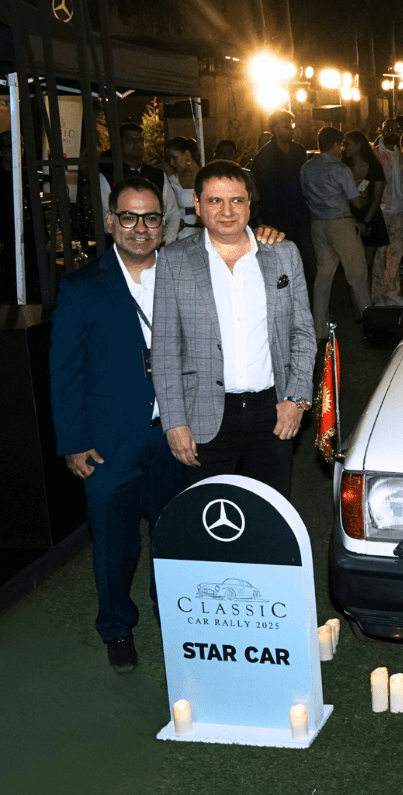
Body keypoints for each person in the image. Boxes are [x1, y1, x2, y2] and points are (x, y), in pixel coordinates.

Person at [48, 177, 189, 674]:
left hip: (174, 436)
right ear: (111, 223)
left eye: (150, 217)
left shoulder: (185, 275)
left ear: (164, 224)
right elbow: (65, 372)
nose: (139, 228)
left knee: (175, 536)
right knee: (115, 542)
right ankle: (116, 627)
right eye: (128, 217)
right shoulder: (82, 288)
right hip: (108, 444)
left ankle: (177, 620)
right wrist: (74, 442)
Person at [152, 160, 316, 498]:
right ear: (197, 205)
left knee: (270, 522)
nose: (227, 211)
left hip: (272, 413)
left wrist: (296, 400)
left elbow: (302, 334)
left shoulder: (284, 254)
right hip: (203, 416)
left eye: (237, 200)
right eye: (215, 201)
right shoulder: (173, 260)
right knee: (209, 525)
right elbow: (166, 349)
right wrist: (174, 422)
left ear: (249, 202)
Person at [300, 127, 373, 338]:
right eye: (341, 145)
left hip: (318, 223)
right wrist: (364, 193)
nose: (342, 149)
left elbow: (305, 195)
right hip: (340, 224)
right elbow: (357, 202)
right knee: (357, 275)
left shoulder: (306, 167)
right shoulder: (340, 169)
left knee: (323, 277)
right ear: (334, 145)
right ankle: (369, 323)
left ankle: (319, 328)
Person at [251, 109, 314, 284]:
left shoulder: (299, 150)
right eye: (287, 126)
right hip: (276, 216)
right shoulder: (264, 156)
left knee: (305, 260)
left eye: (292, 125)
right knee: (280, 261)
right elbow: (260, 189)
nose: (292, 129)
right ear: (275, 129)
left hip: (299, 213)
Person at [94, 122, 180, 246]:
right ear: (119, 144)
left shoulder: (157, 175)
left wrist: (165, 241)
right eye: (130, 140)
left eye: (140, 140)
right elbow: (108, 219)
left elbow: (173, 213)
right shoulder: (107, 176)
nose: (137, 145)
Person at [372, 118, 403, 307]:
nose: (394, 133)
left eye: (397, 130)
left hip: (400, 208)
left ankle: (393, 292)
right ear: (383, 131)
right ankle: (378, 294)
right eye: (390, 129)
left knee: (395, 254)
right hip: (382, 209)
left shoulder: (401, 154)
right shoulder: (375, 154)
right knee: (380, 254)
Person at [342, 130, 389, 280]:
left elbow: (377, 198)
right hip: (349, 218)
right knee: (352, 266)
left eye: (347, 144)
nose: (344, 148)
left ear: (358, 145)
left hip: (370, 219)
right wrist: (355, 223)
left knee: (366, 265)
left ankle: (365, 300)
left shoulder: (374, 167)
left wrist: (365, 223)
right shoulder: (343, 167)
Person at [162, 137, 203, 240]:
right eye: (169, 159)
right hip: (179, 236)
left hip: (202, 235)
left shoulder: (207, 177)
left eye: (174, 158)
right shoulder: (172, 180)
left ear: (187, 154)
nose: (171, 163)